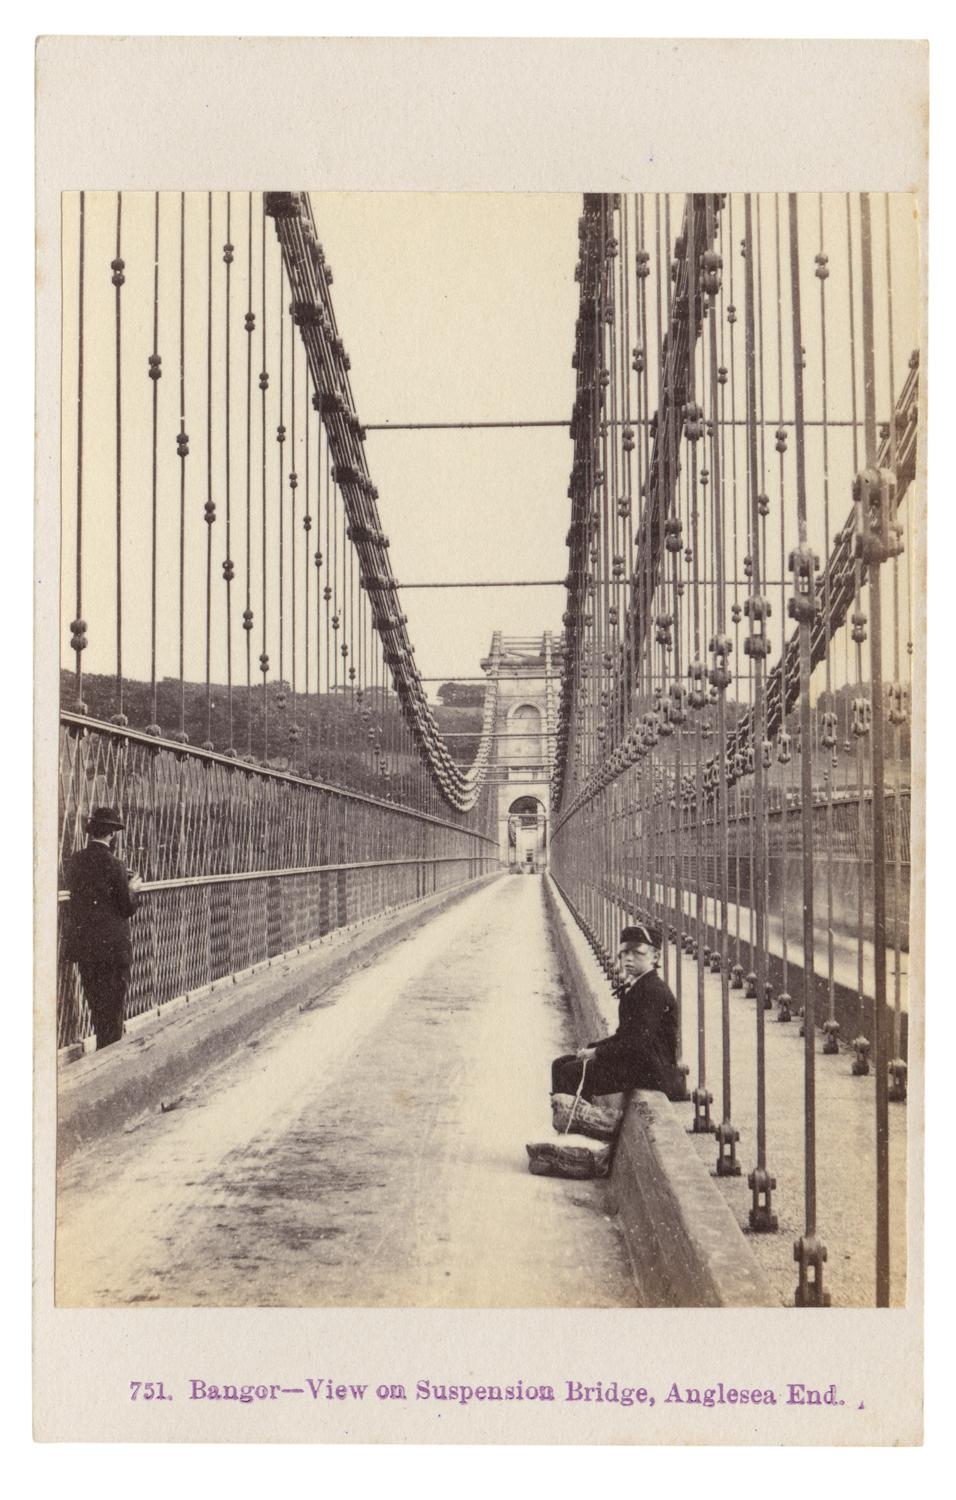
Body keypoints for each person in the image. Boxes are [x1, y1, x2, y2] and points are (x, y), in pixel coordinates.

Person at [551, 922, 679, 1104]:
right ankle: (573, 1117)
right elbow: (625, 1035)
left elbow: (637, 1043)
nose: (628, 959)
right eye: (625, 953)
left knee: (570, 1071)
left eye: (637, 953)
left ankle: (576, 1121)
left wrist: (597, 1052)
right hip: (640, 1064)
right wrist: (594, 1047)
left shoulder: (653, 991)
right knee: (560, 1064)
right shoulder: (641, 985)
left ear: (655, 956)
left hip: (651, 1071)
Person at [61, 806, 143, 1049]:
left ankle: (102, 1049)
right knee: (114, 1011)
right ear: (111, 834)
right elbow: (126, 908)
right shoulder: (116, 865)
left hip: (86, 949)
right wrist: (132, 890)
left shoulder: (74, 861)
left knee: (96, 1007)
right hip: (113, 950)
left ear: (91, 831)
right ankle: (110, 1060)